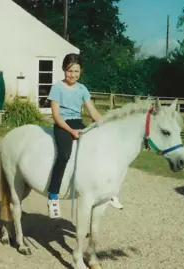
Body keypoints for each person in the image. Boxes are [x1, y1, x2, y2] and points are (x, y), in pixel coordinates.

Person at [46, 53, 123, 219]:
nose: (72, 75)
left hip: (78, 123)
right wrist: (71, 132)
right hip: (63, 125)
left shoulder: (82, 89)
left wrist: (106, 124)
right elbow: (56, 116)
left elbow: (93, 112)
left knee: (100, 150)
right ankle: (53, 196)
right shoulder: (57, 88)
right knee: (65, 154)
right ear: (63, 70)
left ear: (80, 71)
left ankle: (109, 192)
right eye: (69, 71)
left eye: (76, 71)